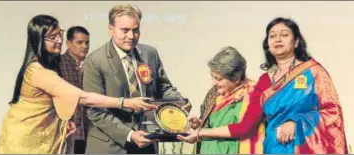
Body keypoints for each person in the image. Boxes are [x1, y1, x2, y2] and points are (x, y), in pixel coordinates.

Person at [180, 17, 348, 154]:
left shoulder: (314, 72)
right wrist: (200, 128)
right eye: (272, 35)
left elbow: (332, 113)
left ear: (296, 42)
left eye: (284, 34)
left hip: (305, 147)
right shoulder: (264, 81)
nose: (278, 39)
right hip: (274, 148)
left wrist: (296, 122)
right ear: (267, 44)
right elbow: (246, 124)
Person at [0, 14, 156, 154]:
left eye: (60, 35)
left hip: (49, 138)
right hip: (27, 141)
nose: (59, 41)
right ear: (38, 39)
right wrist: (124, 102)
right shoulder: (37, 70)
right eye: (52, 37)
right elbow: (83, 98)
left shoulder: (48, 66)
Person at [83, 4, 191, 154]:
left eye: (136, 30)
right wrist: (130, 135)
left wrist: (179, 104)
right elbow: (95, 111)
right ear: (110, 29)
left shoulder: (149, 54)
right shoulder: (95, 61)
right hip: (110, 147)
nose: (131, 36)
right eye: (125, 30)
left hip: (147, 143)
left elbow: (163, 88)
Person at [177, 46, 264, 154]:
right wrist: (198, 124)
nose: (214, 83)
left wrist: (201, 133)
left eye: (219, 79)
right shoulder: (214, 93)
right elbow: (210, 128)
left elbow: (243, 128)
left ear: (236, 78)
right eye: (212, 77)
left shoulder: (254, 94)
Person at [59, 26, 90, 154]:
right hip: (67, 130)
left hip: (89, 130)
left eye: (87, 42)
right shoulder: (58, 63)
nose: (84, 46)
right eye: (79, 42)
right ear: (68, 43)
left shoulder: (91, 64)